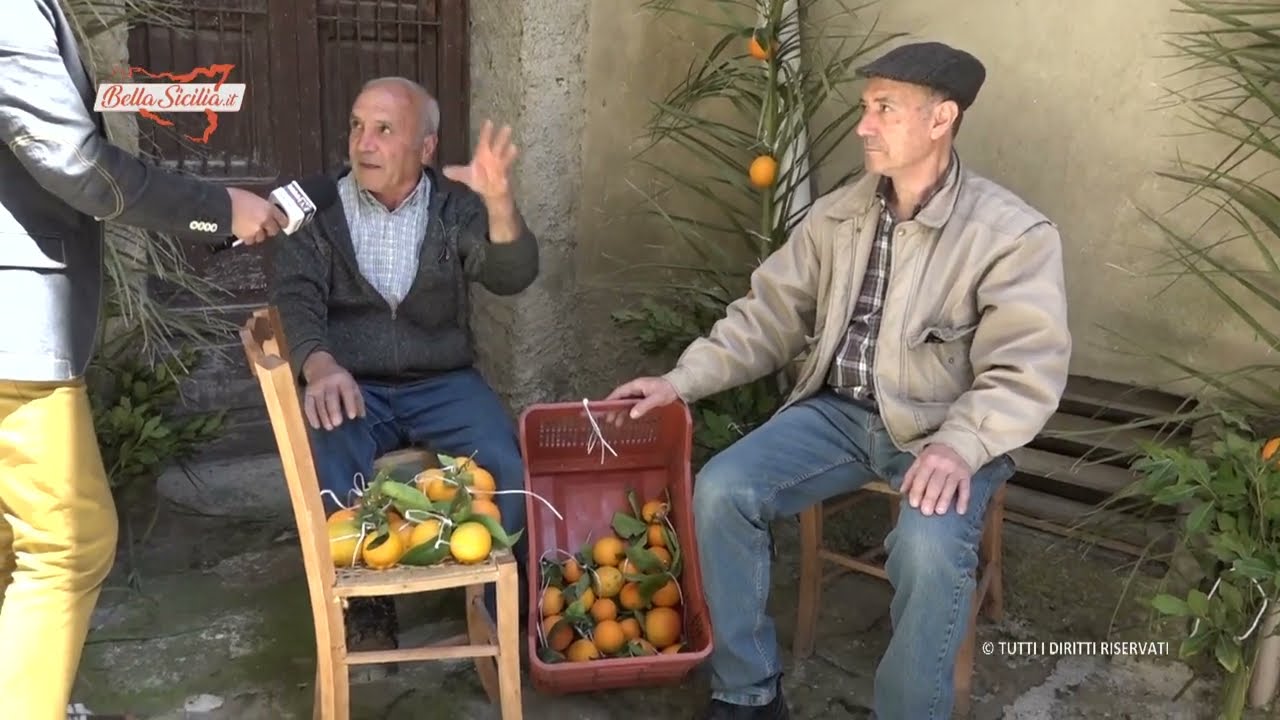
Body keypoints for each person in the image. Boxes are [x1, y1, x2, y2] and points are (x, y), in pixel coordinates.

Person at [605, 41, 1071, 719]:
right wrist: (681, 382)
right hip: (836, 416)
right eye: (864, 107)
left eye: (884, 109)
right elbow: (769, 316)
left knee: (929, 547)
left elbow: (1025, 368)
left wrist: (960, 445)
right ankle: (748, 692)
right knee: (722, 490)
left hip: (941, 435)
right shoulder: (839, 213)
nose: (864, 125)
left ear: (941, 119)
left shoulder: (1010, 234)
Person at [0, 1, 290, 717]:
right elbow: (75, 161)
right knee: (70, 543)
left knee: (20, 541)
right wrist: (217, 210)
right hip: (15, 329)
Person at [269, 76, 538, 662]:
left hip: (442, 380)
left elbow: (512, 275)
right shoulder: (315, 209)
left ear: (426, 148)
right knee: (333, 446)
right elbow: (295, 297)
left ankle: (499, 614)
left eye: (385, 129)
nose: (363, 142)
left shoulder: (455, 206)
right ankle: (366, 608)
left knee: (505, 460)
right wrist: (318, 363)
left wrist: (497, 201)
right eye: (357, 126)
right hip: (352, 378)